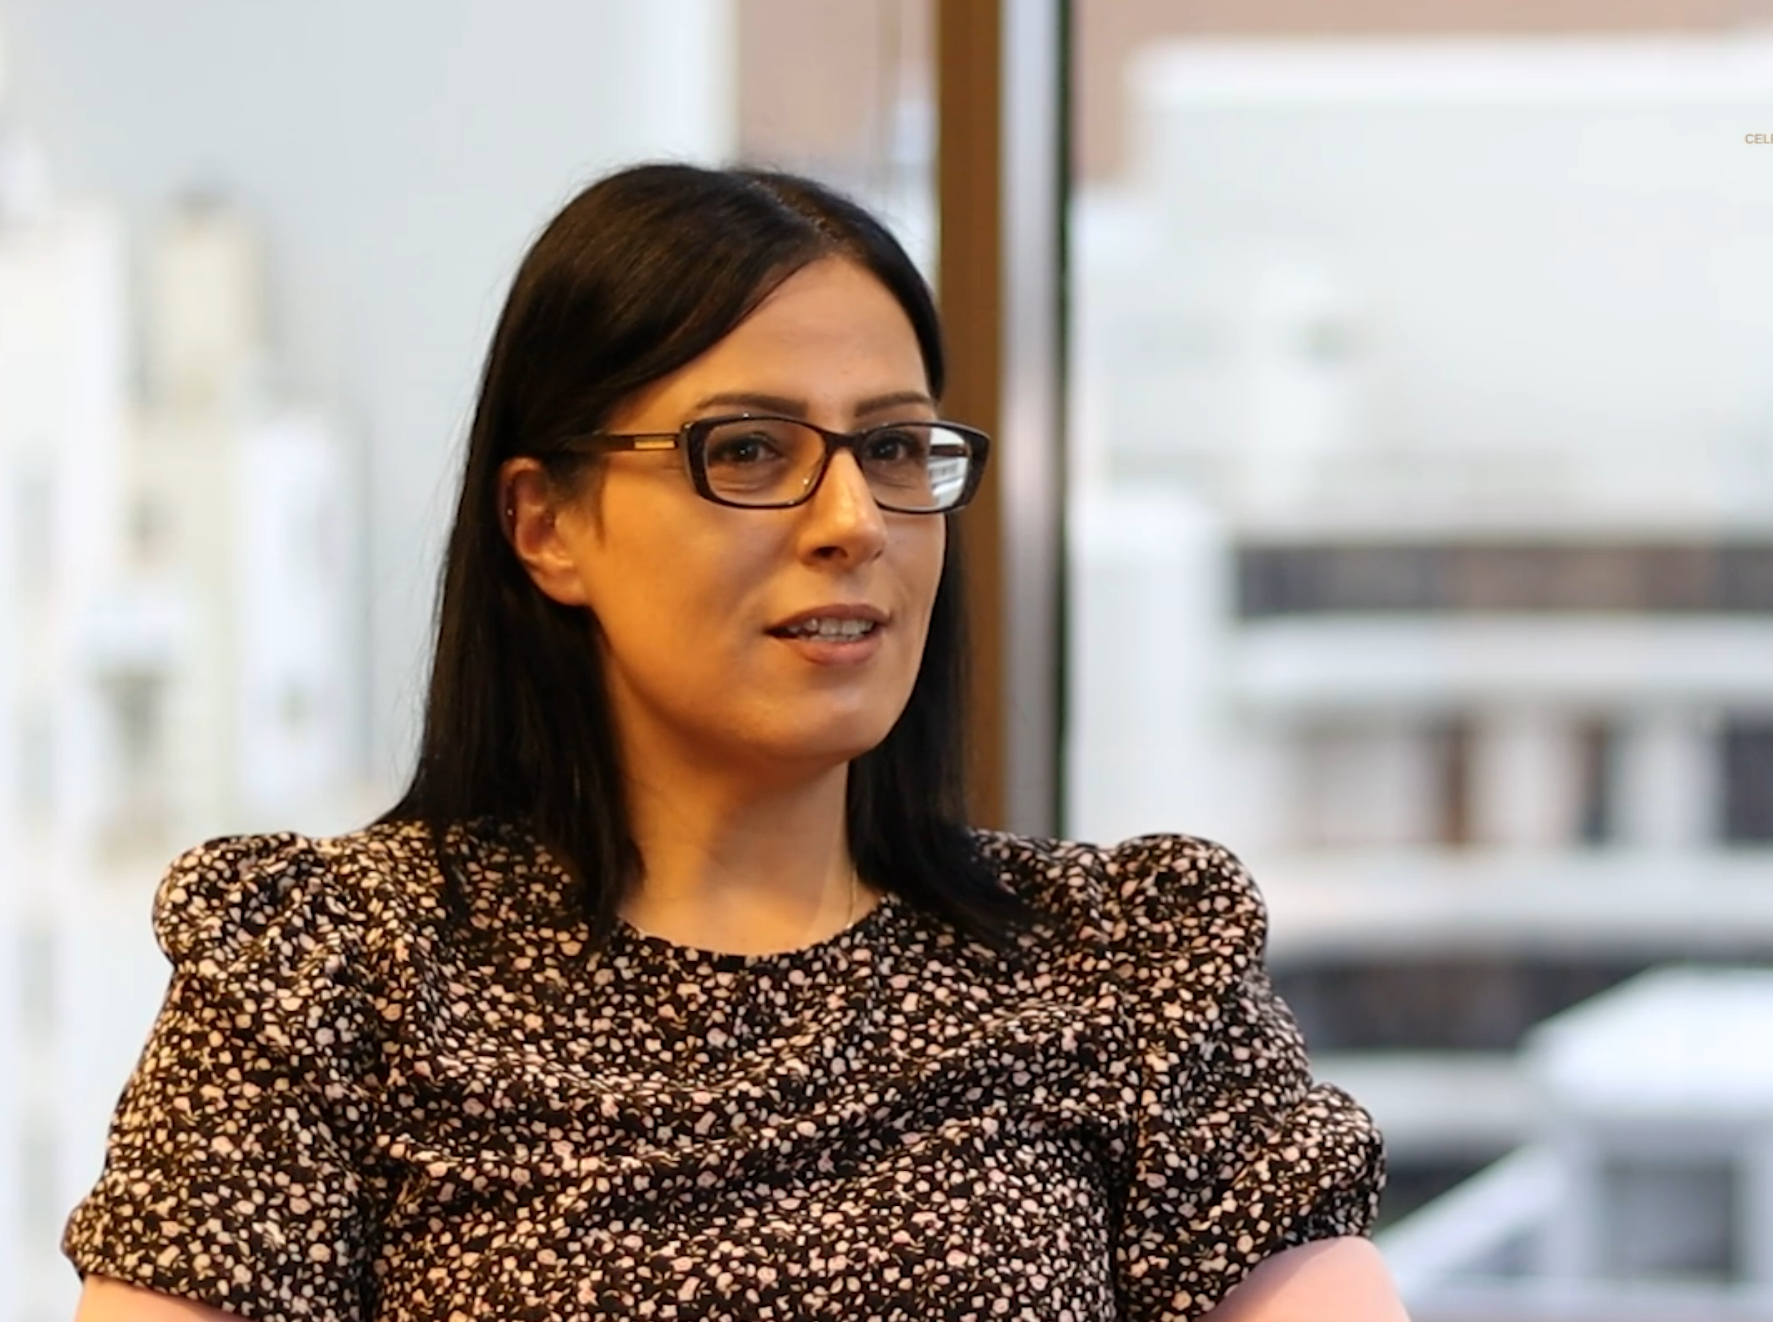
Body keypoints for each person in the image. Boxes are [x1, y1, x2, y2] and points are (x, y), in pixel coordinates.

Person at [64, 162, 1401, 1322]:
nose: (851, 520)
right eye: (750, 449)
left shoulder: (1121, 965)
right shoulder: (328, 973)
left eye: (891, 448)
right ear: (546, 525)